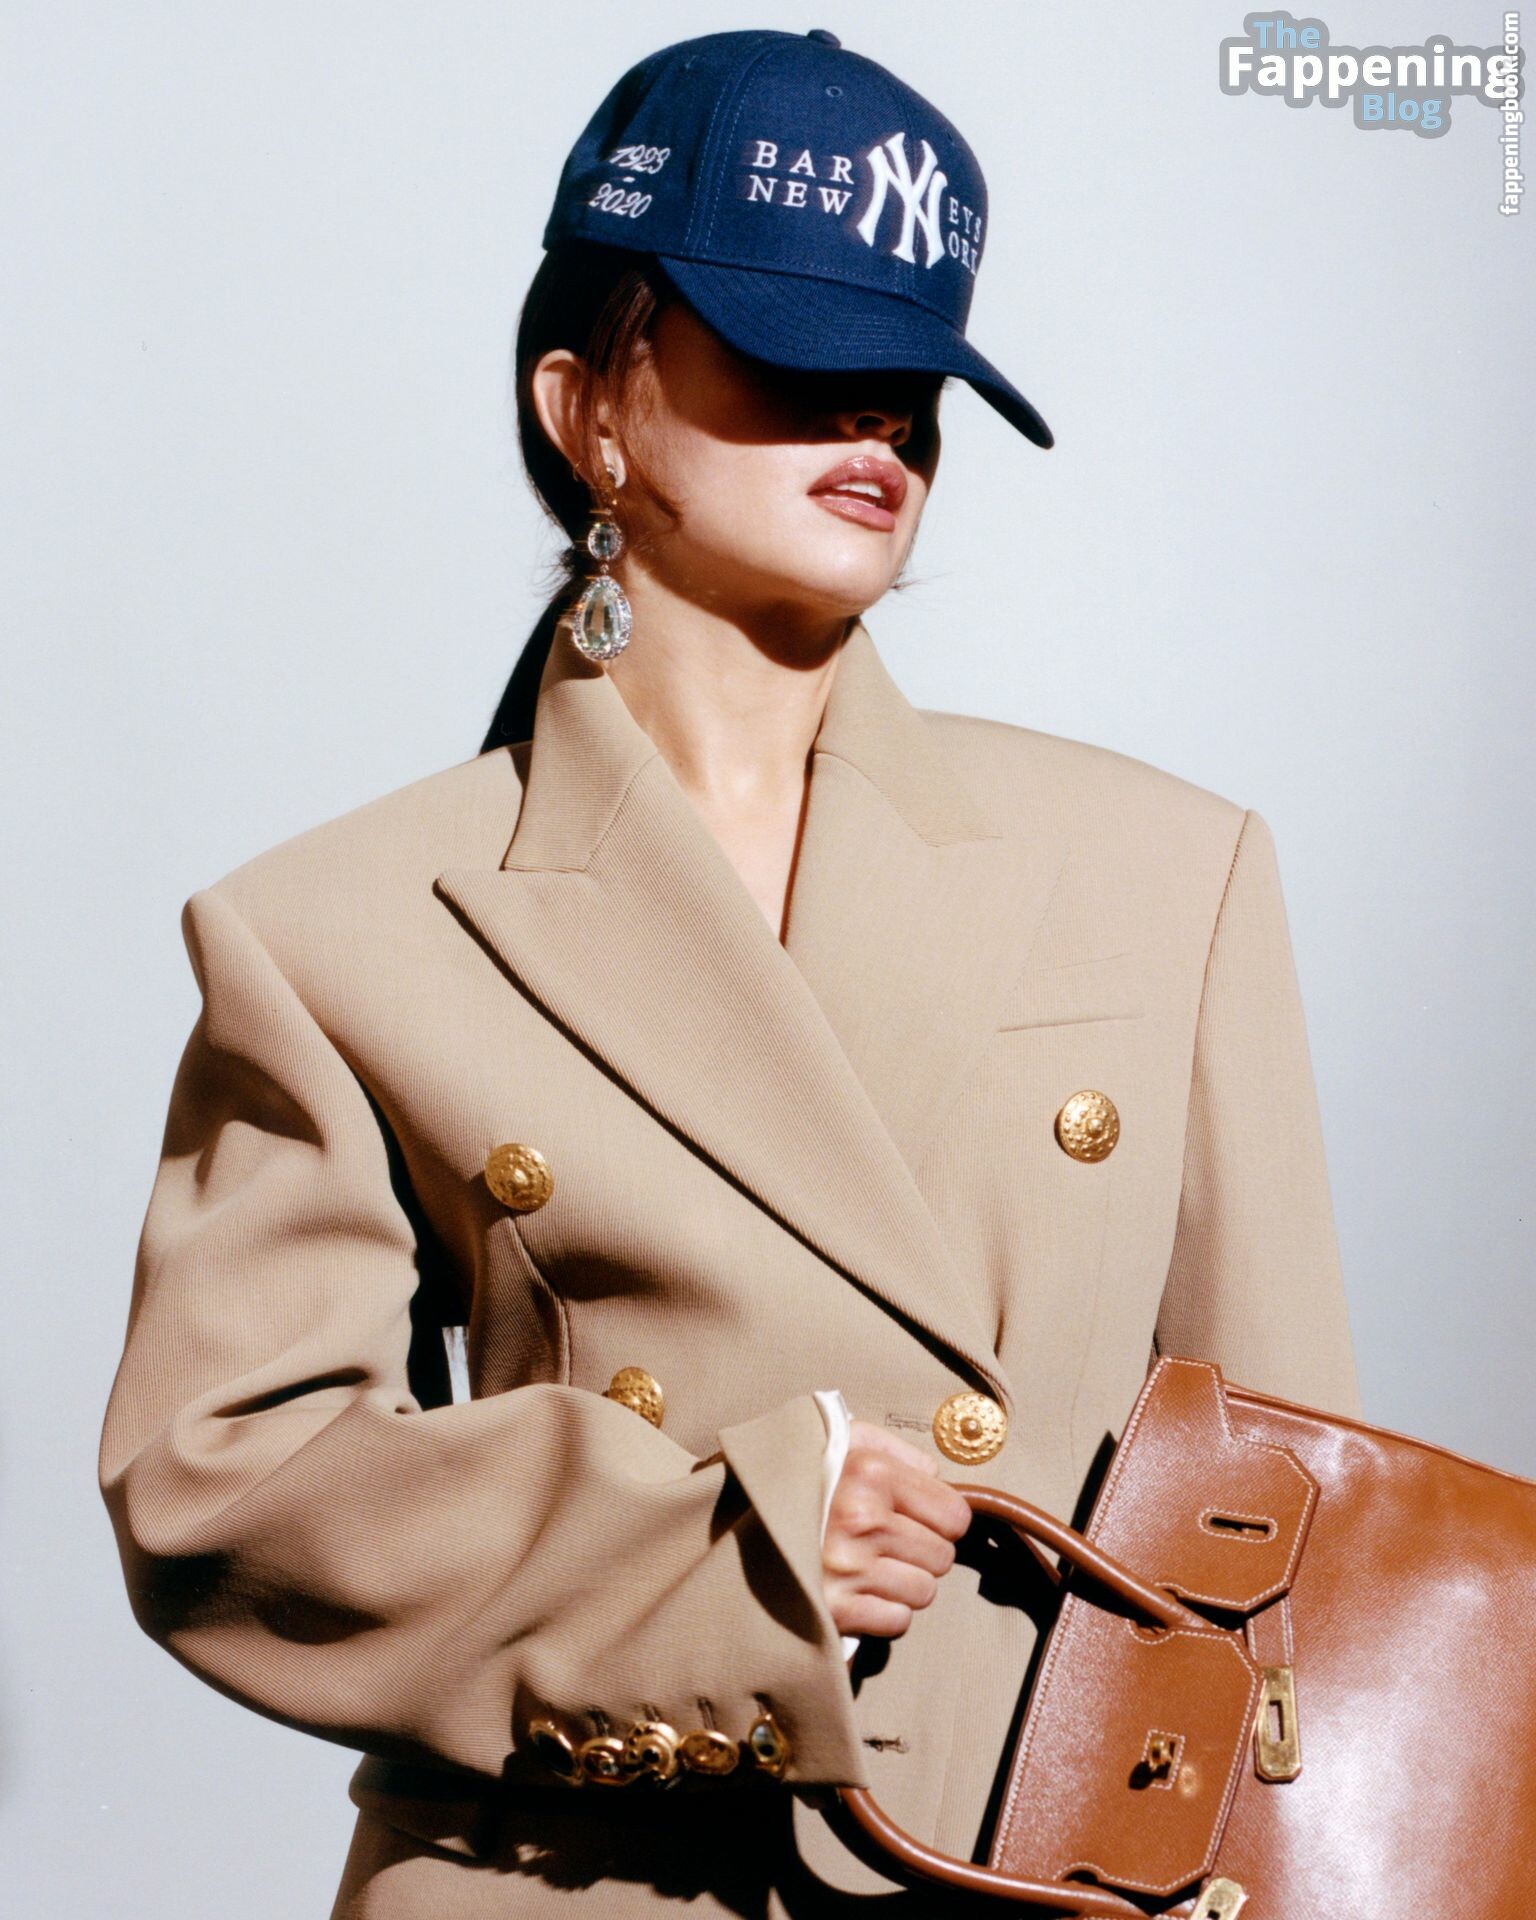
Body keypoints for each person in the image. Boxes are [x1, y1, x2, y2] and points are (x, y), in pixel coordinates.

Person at [98, 26, 1363, 1919]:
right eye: (791, 345)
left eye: (912, 368)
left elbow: (1294, 1533)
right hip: (571, 1868)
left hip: (1058, 1873)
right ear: (586, 410)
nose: (875, 418)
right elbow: (219, 1486)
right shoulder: (339, 926)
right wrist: (719, 1550)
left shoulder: (1169, 873)